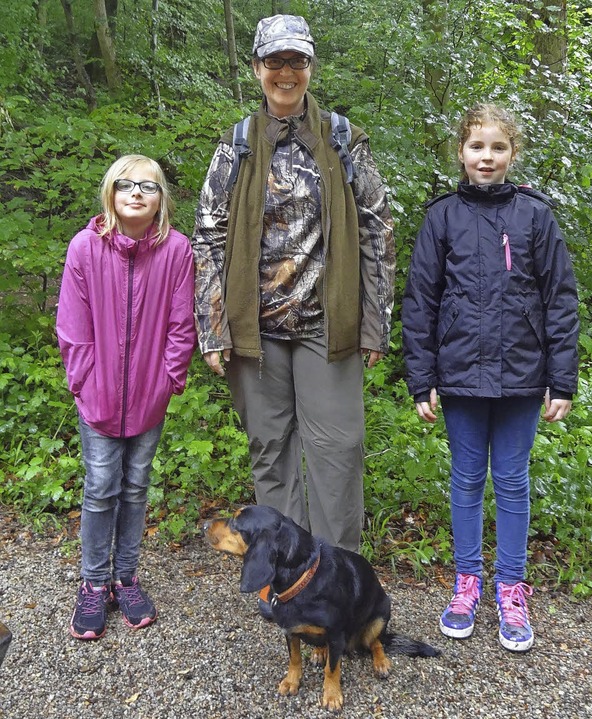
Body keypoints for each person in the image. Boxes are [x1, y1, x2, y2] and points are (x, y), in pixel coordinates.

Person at [191, 14, 395, 554]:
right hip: (253, 330)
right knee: (271, 451)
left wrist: (375, 322)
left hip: (328, 329)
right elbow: (208, 236)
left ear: (310, 67)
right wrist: (213, 328)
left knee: (337, 451)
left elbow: (377, 228)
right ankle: (288, 574)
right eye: (275, 61)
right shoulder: (235, 145)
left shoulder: (344, 139)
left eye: (297, 61)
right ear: (257, 67)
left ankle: (337, 580)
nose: (287, 72)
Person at [402, 104, 579, 652]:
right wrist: (421, 377)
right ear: (461, 152)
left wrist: (562, 379)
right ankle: (466, 581)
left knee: (512, 482)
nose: (487, 156)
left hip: (523, 378)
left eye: (498, 147)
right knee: (465, 480)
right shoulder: (442, 217)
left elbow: (560, 301)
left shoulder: (535, 216)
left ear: (513, 154)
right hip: (457, 377)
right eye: (477, 146)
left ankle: (510, 586)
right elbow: (420, 302)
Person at [57, 154, 197, 640]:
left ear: (161, 200)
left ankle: (126, 576)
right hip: (96, 396)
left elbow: (182, 325)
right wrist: (83, 380)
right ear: (110, 194)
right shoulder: (84, 247)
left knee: (136, 485)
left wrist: (168, 380)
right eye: (126, 184)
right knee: (100, 488)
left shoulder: (177, 251)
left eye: (148, 186)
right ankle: (94, 583)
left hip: (148, 396)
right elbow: (72, 327)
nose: (136, 192)